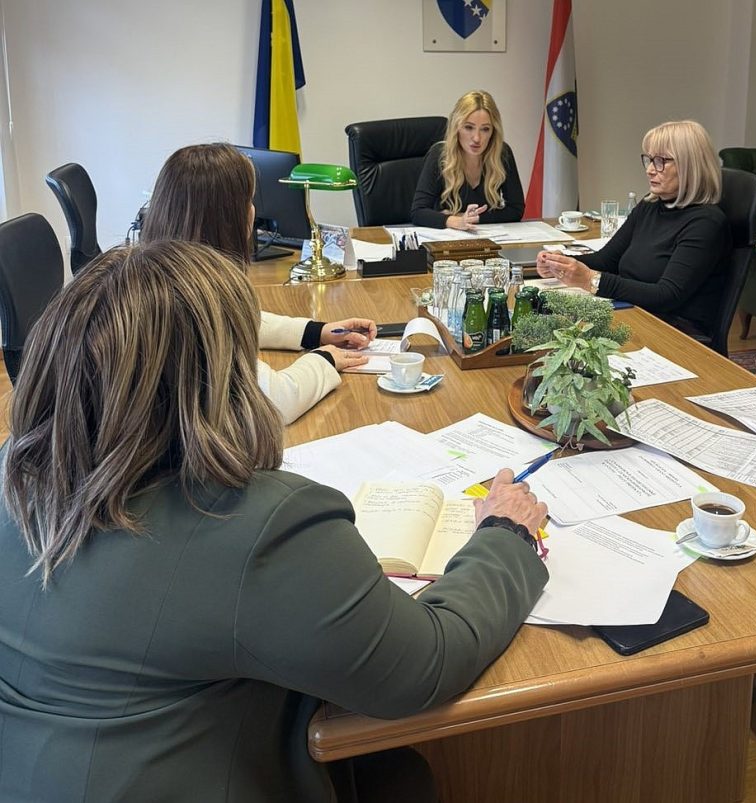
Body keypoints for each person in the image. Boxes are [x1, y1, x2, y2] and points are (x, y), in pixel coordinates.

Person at [0, 240, 550, 803]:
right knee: (400, 778)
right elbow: (424, 665)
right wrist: (505, 534)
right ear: (222, 377)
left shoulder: (11, 475)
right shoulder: (260, 526)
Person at [141, 142, 375, 424]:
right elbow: (274, 402)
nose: (253, 211)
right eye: (249, 201)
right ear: (231, 218)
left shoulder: (164, 273)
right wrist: (325, 359)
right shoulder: (192, 298)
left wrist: (315, 332)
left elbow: (242, 320)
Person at [536, 120, 731, 338]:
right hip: (632, 310)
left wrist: (590, 280)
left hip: (673, 331)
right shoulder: (650, 205)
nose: (650, 170)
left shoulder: (706, 223)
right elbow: (606, 260)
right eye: (649, 159)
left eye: (661, 161)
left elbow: (666, 295)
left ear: (689, 166)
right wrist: (561, 263)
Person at [410, 90, 525, 230]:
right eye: (469, 127)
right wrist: (454, 221)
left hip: (487, 238)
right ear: (457, 127)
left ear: (493, 132)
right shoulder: (440, 155)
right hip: (447, 239)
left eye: (485, 129)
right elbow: (418, 212)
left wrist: (470, 218)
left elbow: (516, 209)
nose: (477, 138)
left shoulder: (502, 153)